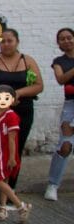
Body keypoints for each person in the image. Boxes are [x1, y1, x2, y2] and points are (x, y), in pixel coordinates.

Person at [0, 28, 43, 190]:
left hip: (23, 110)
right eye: (2, 41)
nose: (6, 44)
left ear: (17, 42)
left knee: (16, 148)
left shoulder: (27, 61)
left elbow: (38, 86)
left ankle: (10, 187)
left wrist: (18, 93)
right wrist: (5, 98)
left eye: (10, 41)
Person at [0, 85, 32, 223]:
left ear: (13, 100)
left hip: (6, 154)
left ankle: (20, 206)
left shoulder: (12, 116)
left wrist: (11, 157)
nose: (2, 101)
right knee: (3, 180)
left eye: (6, 98)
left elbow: (12, 138)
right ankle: (3, 208)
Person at [45, 28, 74, 201]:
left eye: (69, 38)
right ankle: (53, 184)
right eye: (62, 39)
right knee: (65, 146)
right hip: (70, 106)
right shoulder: (59, 61)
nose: (66, 41)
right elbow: (61, 79)